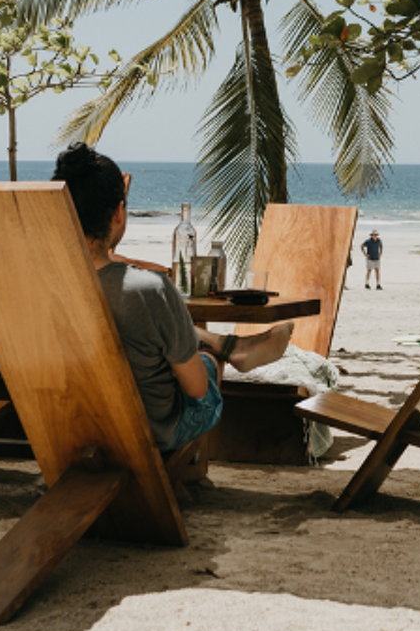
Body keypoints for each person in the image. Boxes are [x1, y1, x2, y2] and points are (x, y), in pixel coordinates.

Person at [53, 143, 297, 454]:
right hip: (147, 435)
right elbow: (195, 389)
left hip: (66, 430)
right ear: (118, 212)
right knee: (205, 366)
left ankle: (230, 347)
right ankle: (224, 353)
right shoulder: (148, 289)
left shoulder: (39, 287)